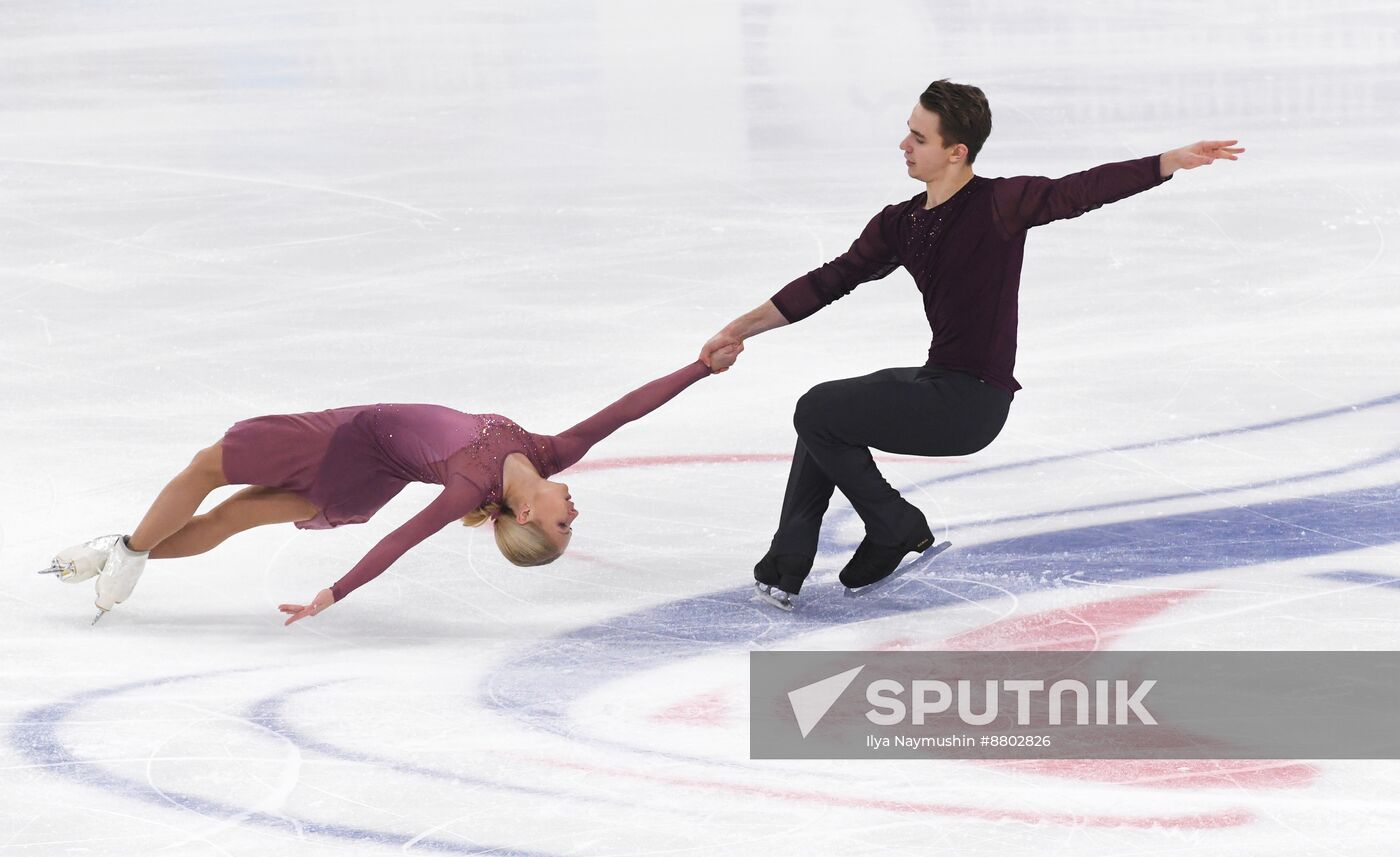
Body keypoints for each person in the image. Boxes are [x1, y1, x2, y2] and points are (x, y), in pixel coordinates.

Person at [699, 79, 1243, 610]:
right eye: (908, 132)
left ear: (956, 152)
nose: (903, 145)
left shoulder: (1001, 204)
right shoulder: (901, 223)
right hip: (938, 381)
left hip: (971, 403)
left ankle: (895, 525)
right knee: (825, 415)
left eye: (919, 137)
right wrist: (737, 331)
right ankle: (786, 565)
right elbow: (829, 280)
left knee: (818, 408)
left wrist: (1166, 161)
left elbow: (1079, 190)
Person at [40, 349, 739, 624]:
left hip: (344, 440)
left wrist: (334, 593)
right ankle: (121, 554)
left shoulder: (471, 485)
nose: (574, 513)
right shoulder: (550, 454)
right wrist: (702, 367)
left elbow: (404, 539)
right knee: (230, 518)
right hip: (364, 476)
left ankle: (127, 548)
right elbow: (626, 410)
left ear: (525, 512)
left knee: (205, 470)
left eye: (563, 526)